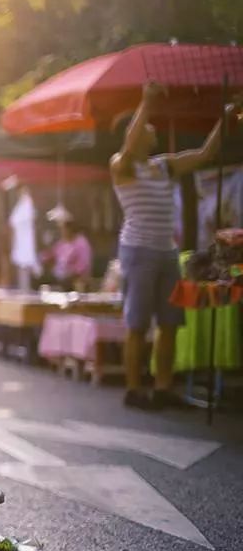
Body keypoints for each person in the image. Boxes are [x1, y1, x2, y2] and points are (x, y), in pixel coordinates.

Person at [110, 81, 241, 410]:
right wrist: (146, 102)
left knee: (170, 321)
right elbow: (128, 146)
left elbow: (204, 155)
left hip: (166, 252)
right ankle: (134, 387)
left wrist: (223, 122)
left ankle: (163, 387)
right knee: (138, 322)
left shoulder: (164, 165)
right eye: (146, 128)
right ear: (136, 134)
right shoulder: (121, 165)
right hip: (138, 251)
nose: (151, 133)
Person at [41, 206, 93, 290]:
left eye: (61, 228)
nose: (60, 231)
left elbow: (82, 267)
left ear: (69, 227)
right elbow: (50, 255)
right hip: (59, 279)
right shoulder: (61, 243)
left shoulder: (81, 243)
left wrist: (67, 274)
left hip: (75, 282)